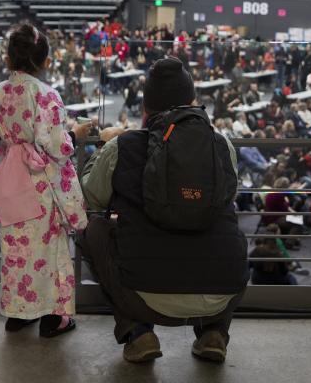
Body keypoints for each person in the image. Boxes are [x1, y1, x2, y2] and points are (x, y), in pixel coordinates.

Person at [79, 56, 247, 363]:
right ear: (192, 99)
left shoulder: (123, 147)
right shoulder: (222, 146)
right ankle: (214, 333)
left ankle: (138, 333)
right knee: (229, 230)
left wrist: (105, 147)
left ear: (146, 106)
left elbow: (91, 198)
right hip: (221, 294)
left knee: (93, 230)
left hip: (144, 294)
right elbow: (229, 196)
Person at [0, 24, 90, 337]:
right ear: (45, 61)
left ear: (10, 56)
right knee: (49, 250)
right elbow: (56, 145)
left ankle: (19, 314)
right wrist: (75, 134)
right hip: (39, 181)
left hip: (8, 178)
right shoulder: (45, 94)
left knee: (15, 249)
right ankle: (52, 318)